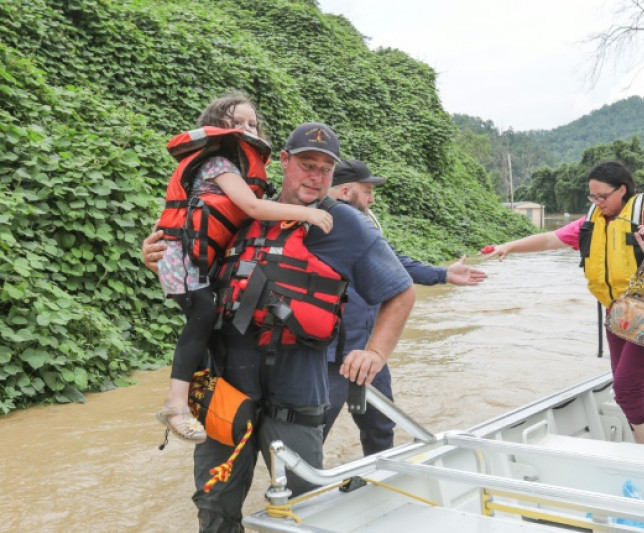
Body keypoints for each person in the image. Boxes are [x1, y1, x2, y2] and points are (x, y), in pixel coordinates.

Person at [145, 122, 415, 532]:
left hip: (298, 385)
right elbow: (194, 264)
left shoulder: (345, 224)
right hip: (227, 384)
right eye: (307, 164)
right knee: (214, 501)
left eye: (325, 170)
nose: (315, 176)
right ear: (284, 162)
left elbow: (401, 291)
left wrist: (375, 352)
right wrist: (157, 259)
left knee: (304, 504)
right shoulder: (244, 210)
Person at [153, 93, 333, 444]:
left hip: (197, 264)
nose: (247, 129)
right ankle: (175, 403)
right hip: (183, 261)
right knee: (202, 315)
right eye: (237, 123)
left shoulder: (237, 169)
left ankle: (189, 402)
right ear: (217, 126)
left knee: (206, 316)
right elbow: (252, 207)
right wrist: (307, 213)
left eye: (252, 124)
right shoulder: (218, 163)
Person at [485, 161, 644, 445]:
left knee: (626, 388)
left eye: (602, 196)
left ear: (622, 190)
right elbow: (548, 240)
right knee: (629, 387)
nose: (597, 202)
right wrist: (508, 247)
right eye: (593, 197)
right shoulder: (593, 222)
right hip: (620, 315)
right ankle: (643, 441)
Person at [324, 159, 487, 456]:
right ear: (346, 191)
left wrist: (443, 274)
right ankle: (302, 497)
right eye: (367, 191)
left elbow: (394, 265)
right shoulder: (318, 225)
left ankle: (377, 483)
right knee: (315, 430)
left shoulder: (362, 227)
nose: (372, 198)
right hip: (329, 354)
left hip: (370, 349)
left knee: (380, 426)